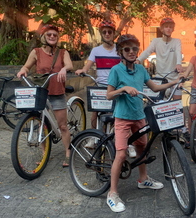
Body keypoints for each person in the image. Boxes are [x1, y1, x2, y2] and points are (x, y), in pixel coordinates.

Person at [106, 34, 180, 213]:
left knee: (142, 148)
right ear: (120, 52)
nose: (132, 52)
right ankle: (112, 193)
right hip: (123, 117)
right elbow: (109, 95)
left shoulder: (140, 70)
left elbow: (154, 88)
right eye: (127, 49)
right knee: (122, 155)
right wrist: (123, 89)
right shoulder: (116, 70)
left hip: (139, 116)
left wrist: (175, 83)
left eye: (134, 48)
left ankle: (143, 179)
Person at [75, 20, 137, 158]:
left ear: (114, 33)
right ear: (101, 34)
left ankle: (129, 143)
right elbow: (89, 64)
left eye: (110, 32)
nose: (107, 34)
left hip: (117, 86)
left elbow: (127, 60)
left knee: (125, 114)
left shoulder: (119, 50)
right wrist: (83, 70)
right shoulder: (96, 50)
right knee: (95, 114)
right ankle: (94, 136)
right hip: (100, 86)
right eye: (104, 32)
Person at [17, 24, 74, 167]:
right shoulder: (36, 52)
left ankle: (68, 152)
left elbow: (69, 65)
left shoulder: (62, 52)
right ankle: (44, 153)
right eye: (49, 35)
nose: (52, 37)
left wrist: (64, 70)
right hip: (42, 93)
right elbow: (26, 66)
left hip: (57, 92)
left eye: (55, 35)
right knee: (42, 125)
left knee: (62, 126)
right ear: (43, 37)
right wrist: (22, 71)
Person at [136, 17, 188, 144]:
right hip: (160, 78)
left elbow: (178, 52)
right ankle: (161, 128)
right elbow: (147, 52)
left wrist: (178, 64)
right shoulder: (156, 41)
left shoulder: (176, 41)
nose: (168, 29)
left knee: (177, 104)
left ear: (173, 28)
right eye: (166, 26)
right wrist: (138, 61)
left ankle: (183, 130)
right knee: (158, 104)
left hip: (174, 77)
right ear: (161, 28)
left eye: (170, 26)